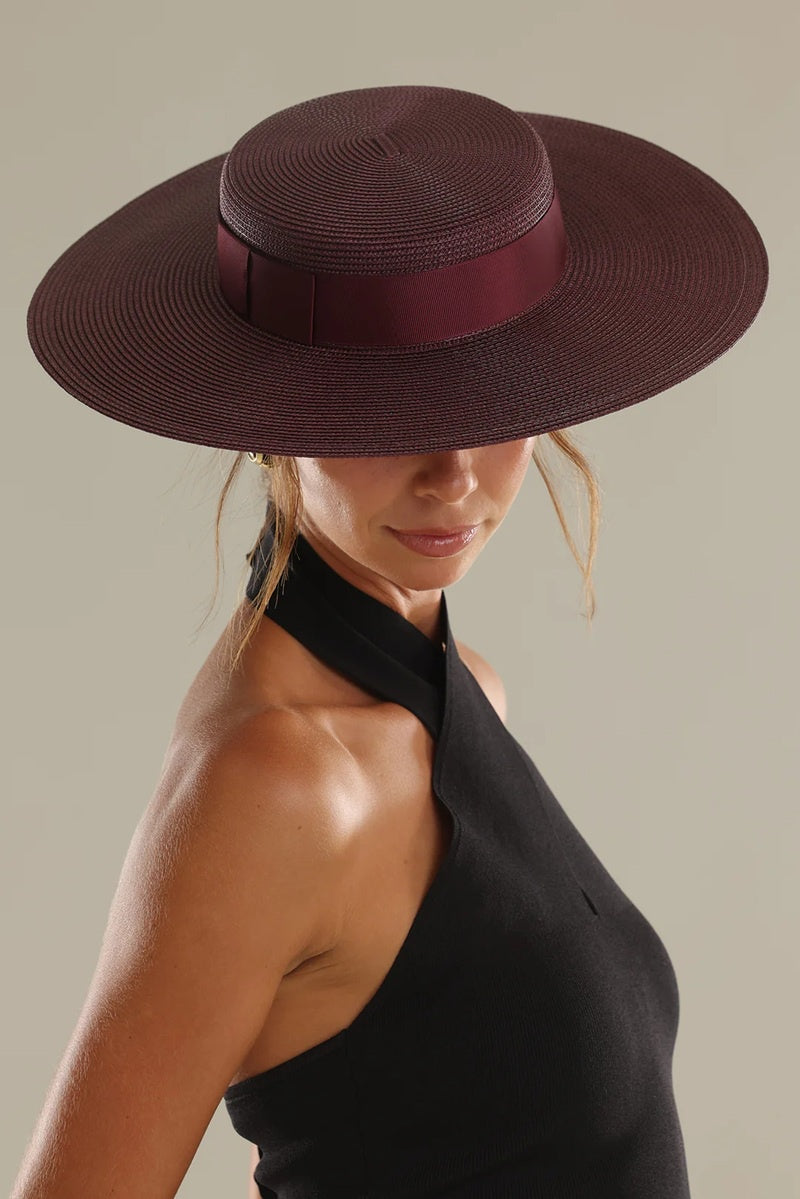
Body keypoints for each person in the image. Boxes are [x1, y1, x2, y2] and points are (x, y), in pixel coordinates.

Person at [14, 83, 768, 1198]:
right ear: (270, 419)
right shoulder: (274, 780)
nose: (451, 471)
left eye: (489, 400)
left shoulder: (463, 695)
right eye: (386, 414)